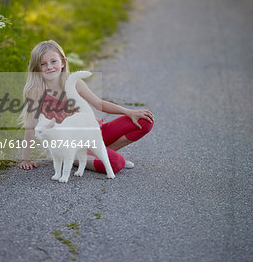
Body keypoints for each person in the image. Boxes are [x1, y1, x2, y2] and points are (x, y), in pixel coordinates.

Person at [19, 40, 154, 173]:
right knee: (117, 163)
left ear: (63, 62)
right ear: (36, 69)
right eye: (43, 64)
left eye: (53, 61)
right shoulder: (36, 90)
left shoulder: (75, 83)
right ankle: (78, 157)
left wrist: (129, 112)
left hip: (96, 132)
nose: (49, 67)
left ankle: (103, 152)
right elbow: (30, 125)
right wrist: (26, 159)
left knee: (145, 121)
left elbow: (99, 104)